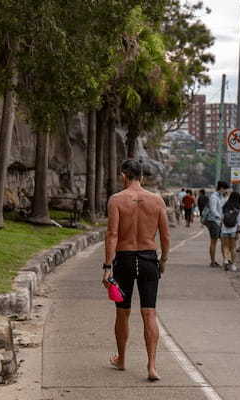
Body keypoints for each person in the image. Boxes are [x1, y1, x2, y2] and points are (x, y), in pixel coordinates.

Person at [101, 159, 170, 381]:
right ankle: (151, 367)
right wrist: (164, 260)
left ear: (124, 176)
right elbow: (165, 235)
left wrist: (107, 266)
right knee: (149, 312)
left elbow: (112, 234)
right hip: (149, 259)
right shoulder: (157, 200)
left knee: (123, 312)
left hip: (125, 260)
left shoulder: (117, 200)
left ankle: (121, 359)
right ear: (143, 177)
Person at [204, 181, 229, 268]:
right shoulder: (214, 197)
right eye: (225, 189)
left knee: (223, 241)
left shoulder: (221, 196)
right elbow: (213, 210)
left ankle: (225, 260)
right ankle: (213, 261)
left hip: (219, 222)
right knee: (213, 241)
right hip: (213, 221)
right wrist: (220, 217)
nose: (226, 191)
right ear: (221, 188)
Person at [220, 192, 240, 271]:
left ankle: (226, 260)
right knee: (233, 248)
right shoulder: (238, 208)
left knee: (225, 246)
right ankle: (233, 265)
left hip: (224, 229)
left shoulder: (225, 207)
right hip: (234, 230)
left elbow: (222, 218)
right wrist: (238, 232)